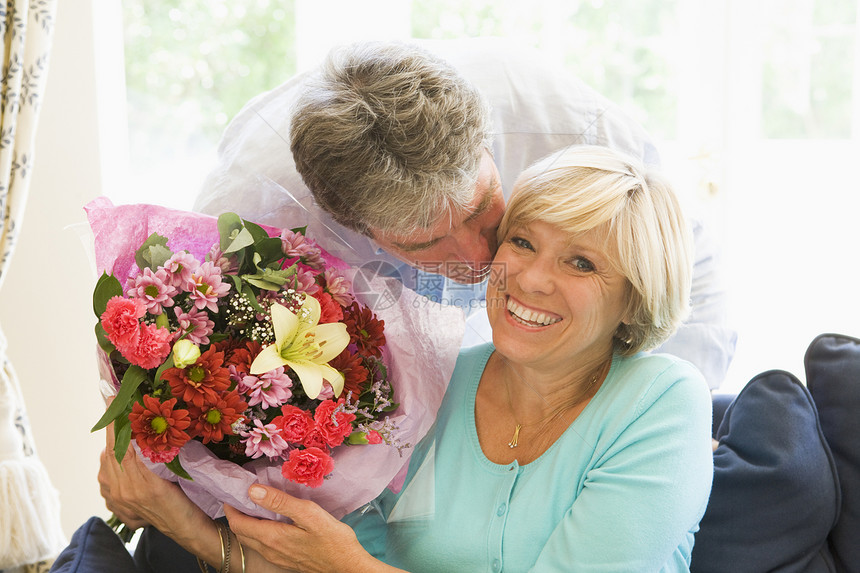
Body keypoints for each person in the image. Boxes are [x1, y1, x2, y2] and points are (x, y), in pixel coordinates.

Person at [97, 145, 713, 572]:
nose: (531, 279)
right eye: (522, 242)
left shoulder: (661, 401)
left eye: (581, 263)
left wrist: (349, 566)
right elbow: (321, 562)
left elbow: (341, 564)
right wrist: (178, 521)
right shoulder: (428, 384)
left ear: (636, 297)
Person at [194, 38, 735, 391]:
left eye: (482, 210)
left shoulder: (558, 120)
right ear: (354, 224)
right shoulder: (250, 211)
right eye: (426, 244)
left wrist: (659, 414)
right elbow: (187, 347)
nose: (482, 258)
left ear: (486, 144)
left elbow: (687, 270)